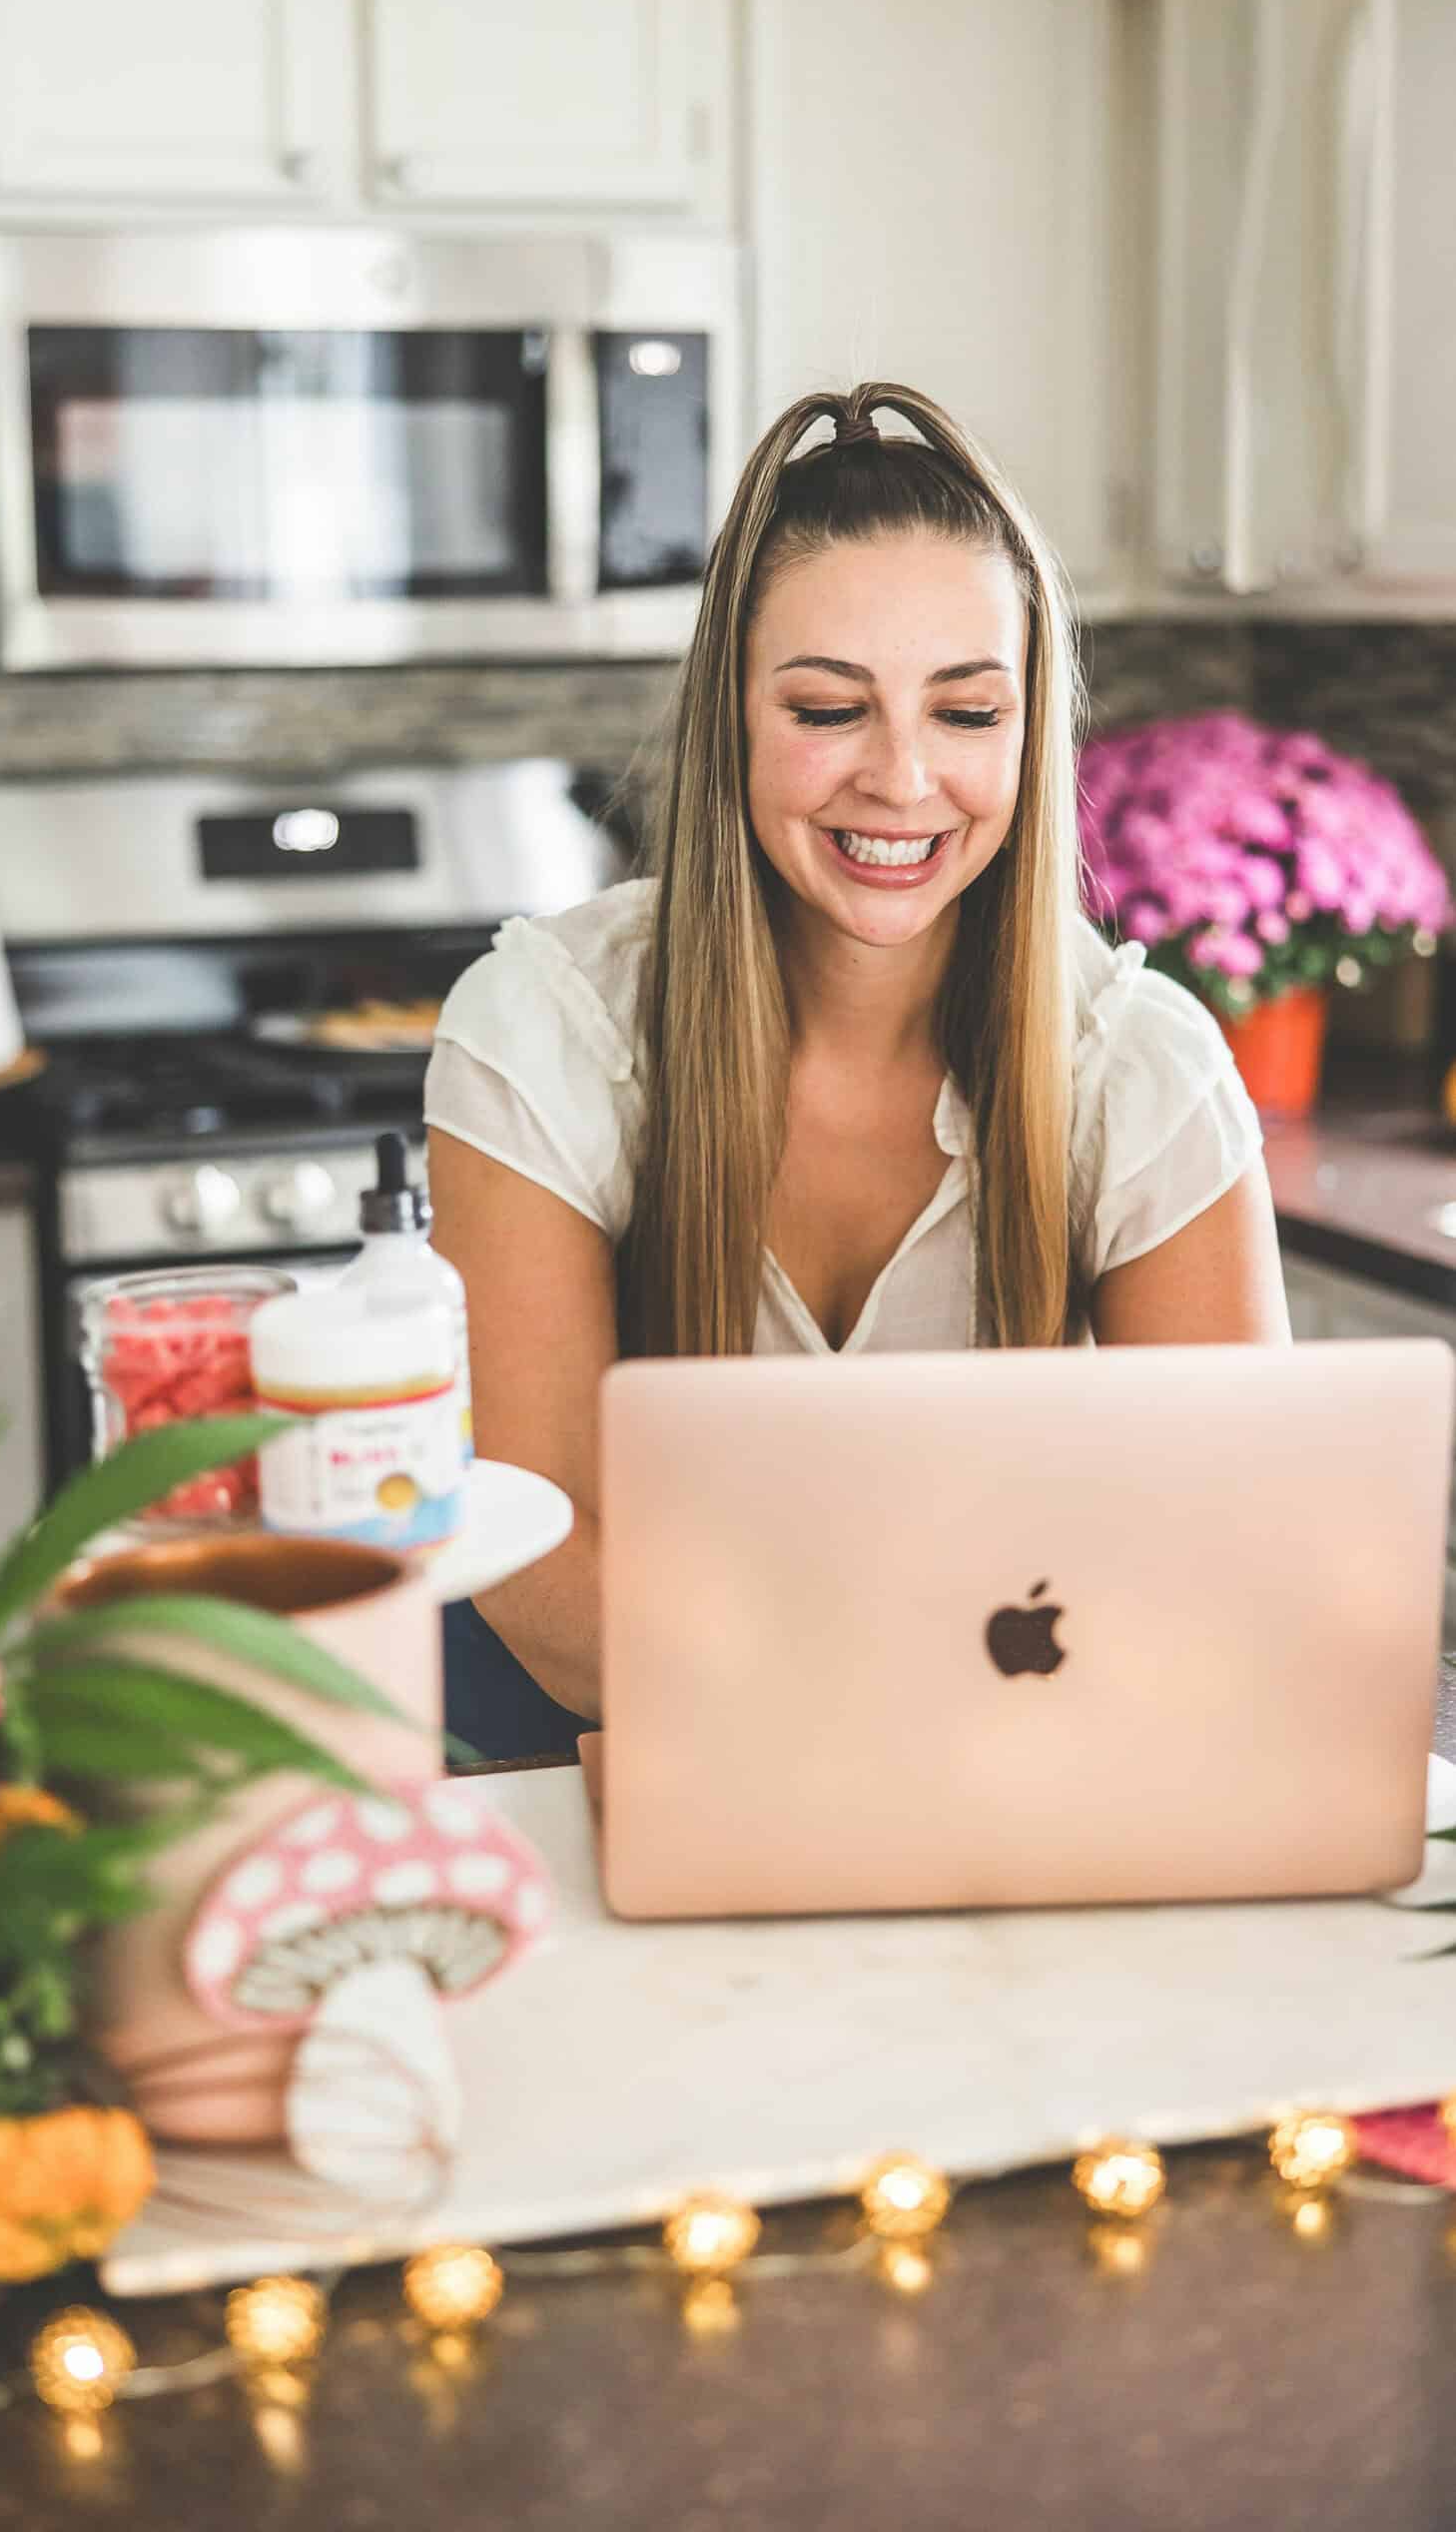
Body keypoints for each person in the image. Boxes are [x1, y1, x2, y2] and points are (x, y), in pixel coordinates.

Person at [426, 382, 1288, 1758]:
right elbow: (541, 1568)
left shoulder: (1140, 1069)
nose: (900, 779)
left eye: (966, 712)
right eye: (830, 707)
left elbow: (1231, 1566)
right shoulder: (543, 1031)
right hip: (612, 1758)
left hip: (1005, 1775)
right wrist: (894, 1734)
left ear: (1029, 733)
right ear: (735, 717)